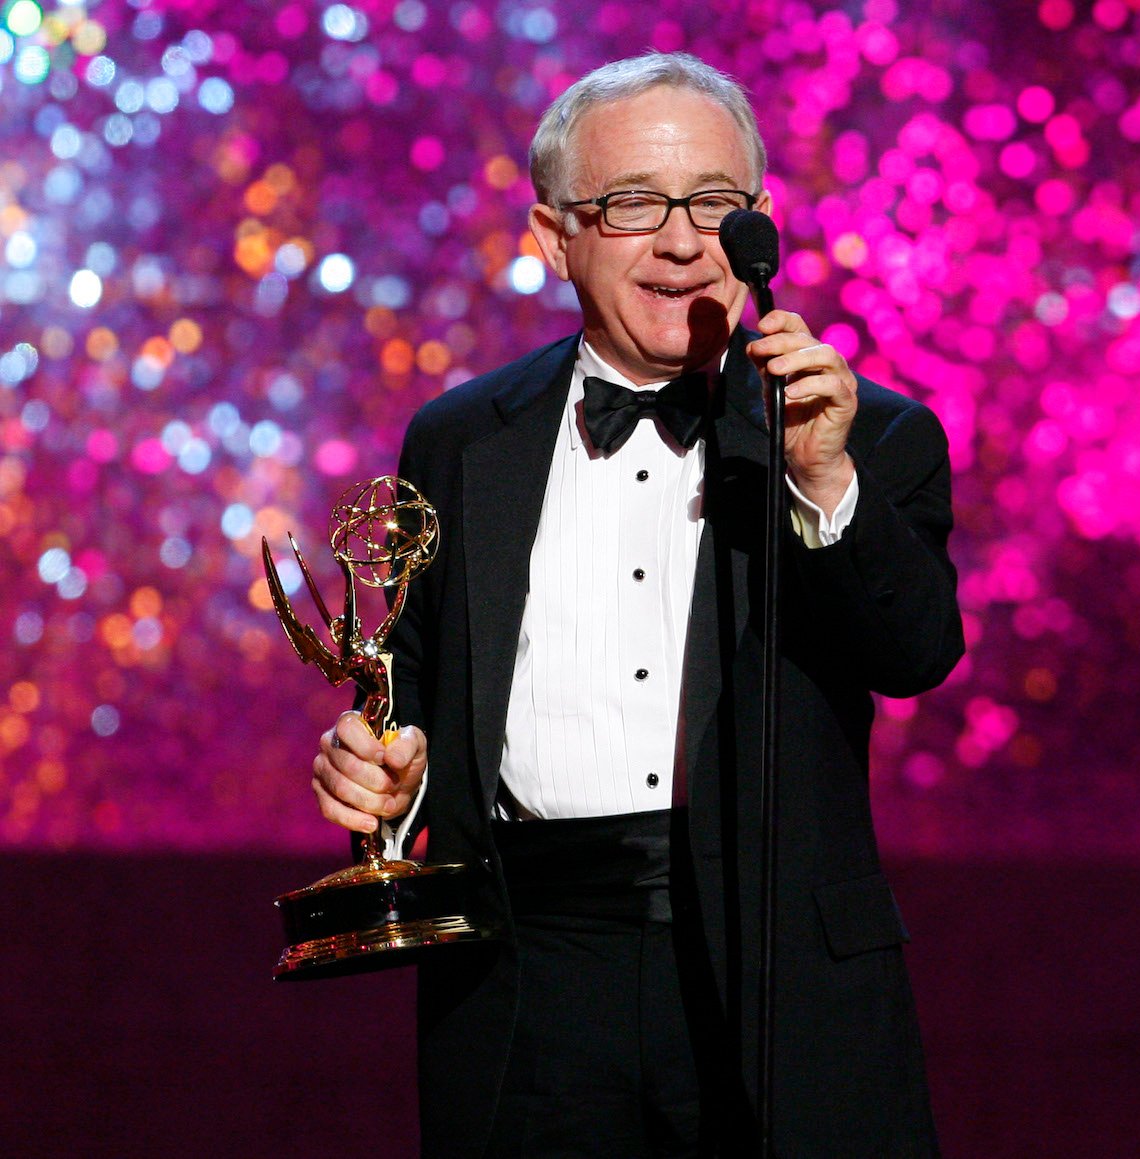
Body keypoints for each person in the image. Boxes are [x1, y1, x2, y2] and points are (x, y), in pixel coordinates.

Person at [310, 51, 963, 1157]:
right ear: (552, 234)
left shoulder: (864, 437)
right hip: (527, 970)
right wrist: (385, 778)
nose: (681, 240)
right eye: (631, 206)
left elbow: (914, 653)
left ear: (758, 222)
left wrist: (822, 479)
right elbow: (415, 693)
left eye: (716, 203)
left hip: (771, 969)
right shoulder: (462, 439)